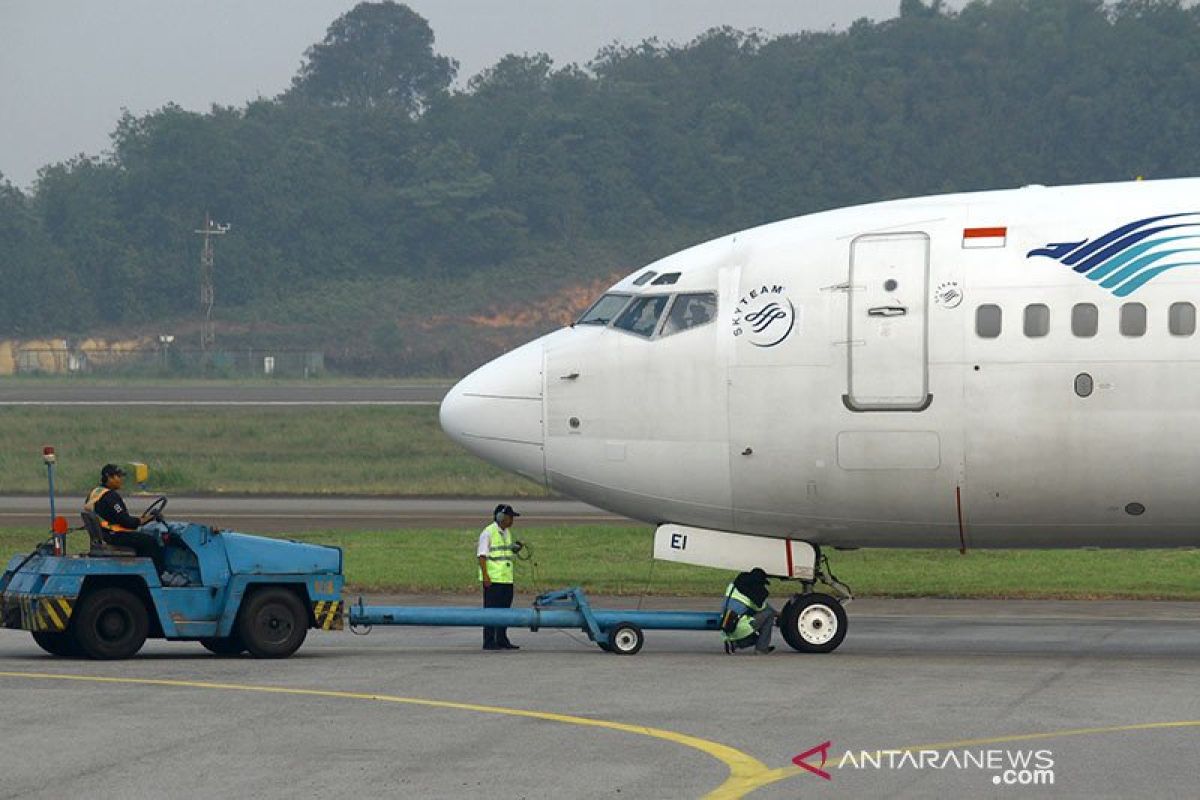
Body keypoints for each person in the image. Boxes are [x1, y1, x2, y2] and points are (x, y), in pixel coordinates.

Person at [83, 463, 179, 583]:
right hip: (114, 536)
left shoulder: (96, 492)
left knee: (141, 539)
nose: (121, 480)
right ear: (109, 477)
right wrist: (145, 520)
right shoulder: (110, 497)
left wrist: (141, 520)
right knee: (150, 542)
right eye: (118, 476)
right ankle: (160, 576)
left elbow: (117, 518)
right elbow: (127, 522)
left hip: (105, 534)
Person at [477, 503, 522, 651]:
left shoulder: (506, 533)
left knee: (505, 611)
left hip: (506, 579)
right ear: (501, 517)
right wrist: (485, 577)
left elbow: (503, 552)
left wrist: (514, 549)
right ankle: (489, 641)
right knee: (490, 611)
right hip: (493, 580)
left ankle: (502, 639)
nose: (512, 521)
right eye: (510, 517)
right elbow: (482, 556)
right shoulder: (488, 533)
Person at [720, 568, 776, 654]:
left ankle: (733, 644)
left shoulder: (733, 586)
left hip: (725, 626)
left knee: (755, 629)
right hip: (738, 627)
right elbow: (764, 609)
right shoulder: (754, 595)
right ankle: (761, 648)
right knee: (769, 614)